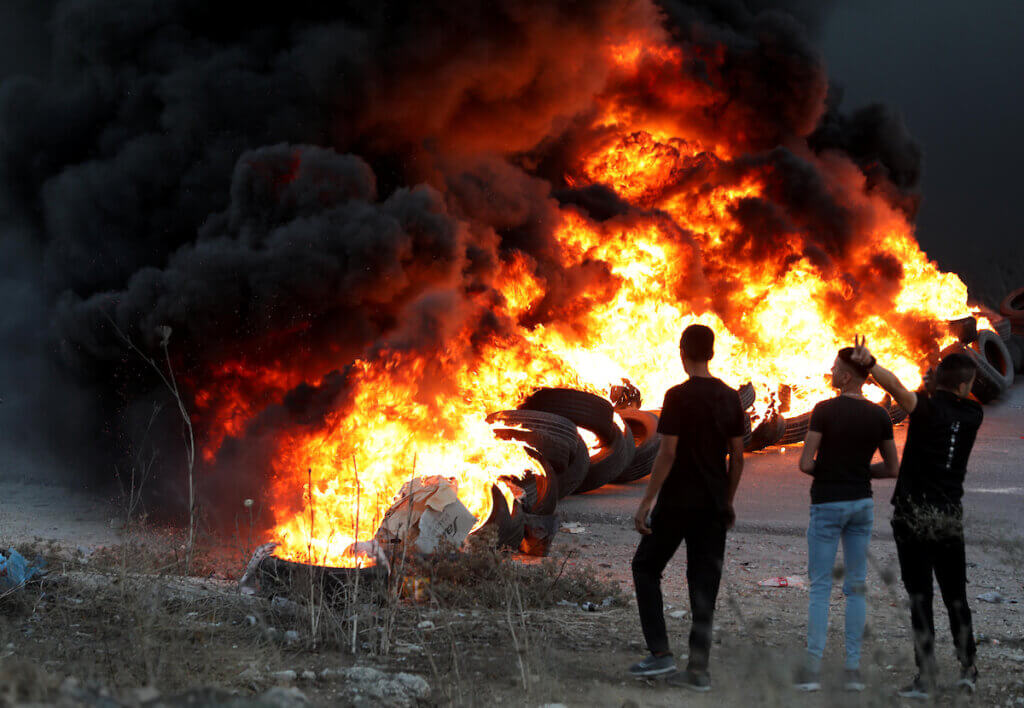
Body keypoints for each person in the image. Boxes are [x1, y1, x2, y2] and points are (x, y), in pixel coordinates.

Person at [850, 336, 983, 699]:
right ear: (964, 385)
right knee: (956, 593)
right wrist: (934, 384)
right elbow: (947, 397)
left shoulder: (925, 409)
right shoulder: (974, 414)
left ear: (938, 383)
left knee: (920, 597)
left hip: (912, 515)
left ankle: (925, 678)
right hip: (948, 516)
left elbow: (895, 387)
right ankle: (967, 667)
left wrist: (870, 364)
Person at [629, 324, 746, 692]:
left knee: (645, 567)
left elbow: (667, 452)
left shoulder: (677, 396)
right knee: (703, 586)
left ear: (683, 352)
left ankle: (661, 655)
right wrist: (727, 499)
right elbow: (738, 458)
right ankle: (698, 671)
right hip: (712, 505)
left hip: (678, 502)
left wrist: (647, 500)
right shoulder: (730, 397)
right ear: (711, 352)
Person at [792, 347, 899, 693]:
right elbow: (893, 467)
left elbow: (806, 463)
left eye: (835, 368)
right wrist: (859, 472)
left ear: (847, 376)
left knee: (820, 588)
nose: (831, 371)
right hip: (860, 504)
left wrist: (833, 470)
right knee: (856, 587)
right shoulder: (880, 415)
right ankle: (852, 669)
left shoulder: (823, 411)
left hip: (827, 504)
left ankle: (812, 669)